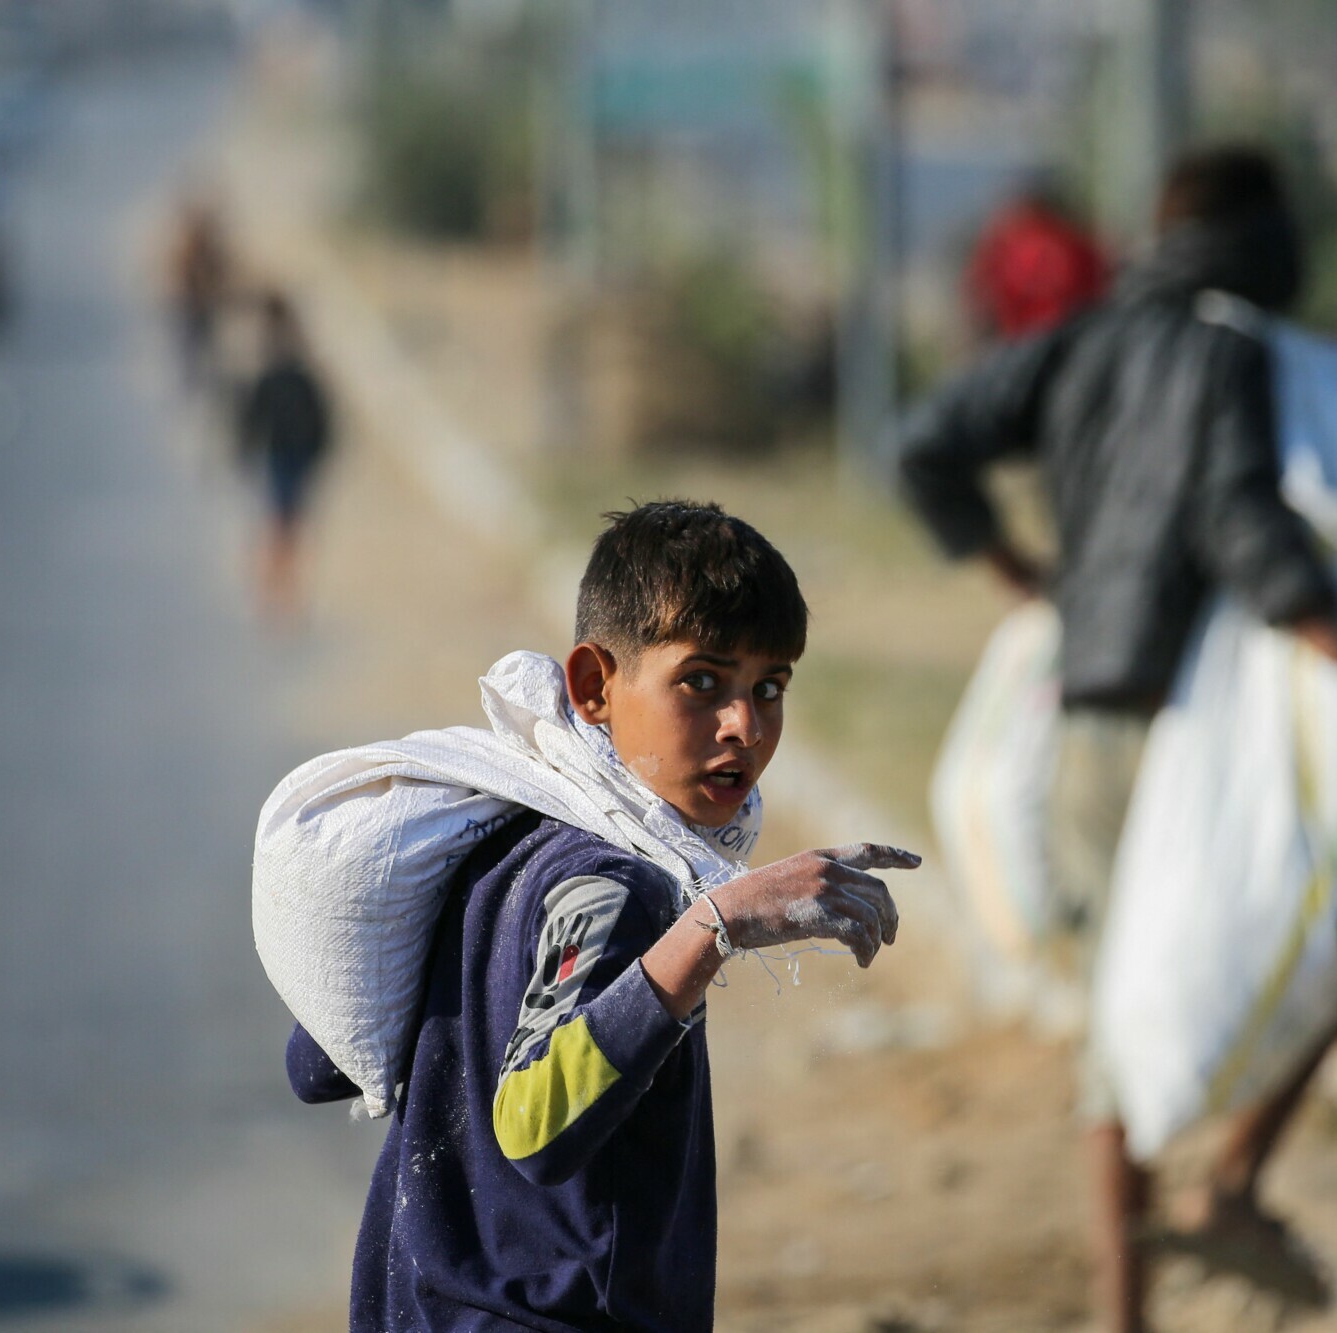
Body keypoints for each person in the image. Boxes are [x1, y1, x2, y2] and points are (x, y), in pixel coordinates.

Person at [898, 146, 1337, 1332]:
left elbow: (925, 440)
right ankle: (1226, 1190)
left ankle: (1123, 1309)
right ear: (1251, 236)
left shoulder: (1079, 337)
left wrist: (1017, 572)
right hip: (1188, 730)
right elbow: (1232, 505)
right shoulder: (1225, 347)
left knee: (1114, 1022)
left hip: (1081, 717)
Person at [284, 500, 919, 1332]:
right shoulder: (616, 884)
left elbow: (317, 1061)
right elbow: (535, 1124)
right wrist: (716, 924)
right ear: (593, 687)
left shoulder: (494, 832)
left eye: (769, 687)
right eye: (703, 681)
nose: (745, 725)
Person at [238, 291, 332, 618]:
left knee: (286, 529)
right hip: (282, 457)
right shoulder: (279, 371)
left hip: (294, 457)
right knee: (282, 529)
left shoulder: (289, 371)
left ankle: (278, 596)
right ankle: (274, 596)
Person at [962, 172, 1111, 342]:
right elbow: (1102, 290)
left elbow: (979, 300)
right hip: (1073, 344)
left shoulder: (1003, 243)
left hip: (1023, 347)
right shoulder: (1078, 241)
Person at [169, 195, 232, 387]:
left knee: (207, 344)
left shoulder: (208, 249)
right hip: (193, 306)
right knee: (193, 346)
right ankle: (192, 379)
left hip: (205, 305)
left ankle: (207, 377)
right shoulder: (191, 249)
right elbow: (181, 275)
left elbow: (220, 273)